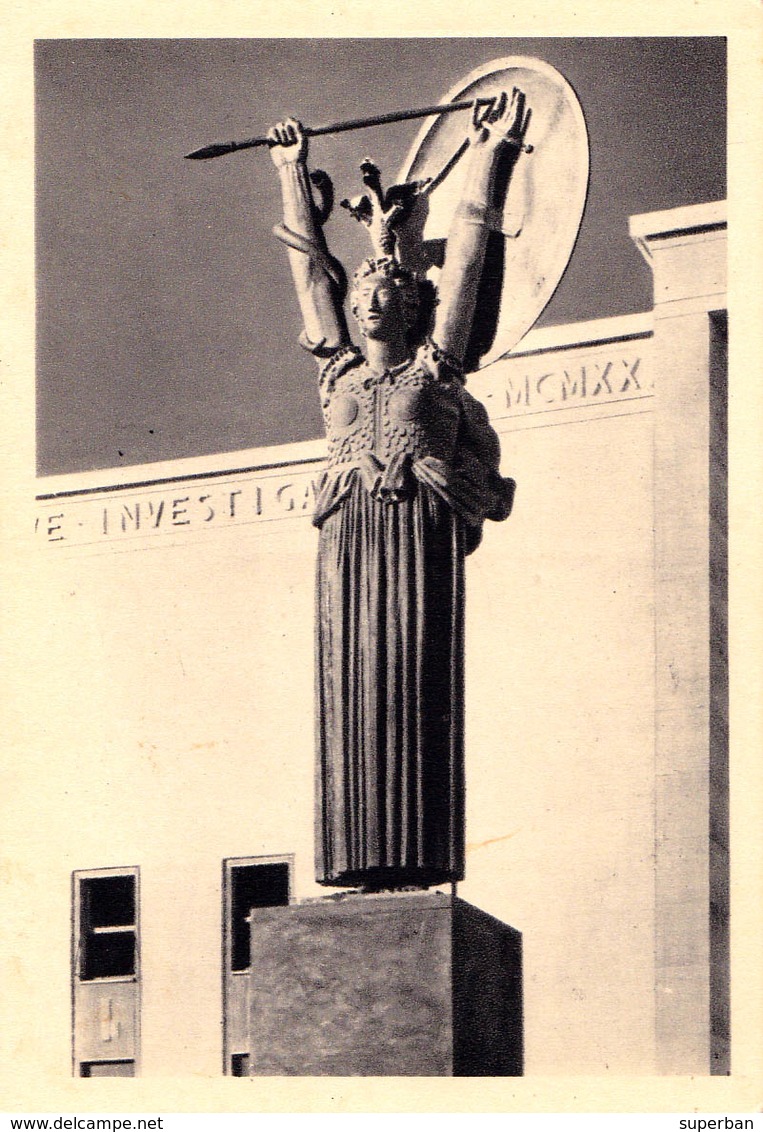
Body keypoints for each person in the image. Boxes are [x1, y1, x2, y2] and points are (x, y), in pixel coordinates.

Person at [268, 91, 528, 889]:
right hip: (348, 539)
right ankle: (351, 858)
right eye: (367, 292)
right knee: (350, 693)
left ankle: (414, 854)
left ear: (417, 309)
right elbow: (309, 272)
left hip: (416, 534)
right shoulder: (337, 370)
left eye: (397, 292)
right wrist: (289, 172)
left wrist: (489, 155)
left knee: (412, 688)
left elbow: (473, 268)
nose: (379, 295)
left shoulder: (435, 370)